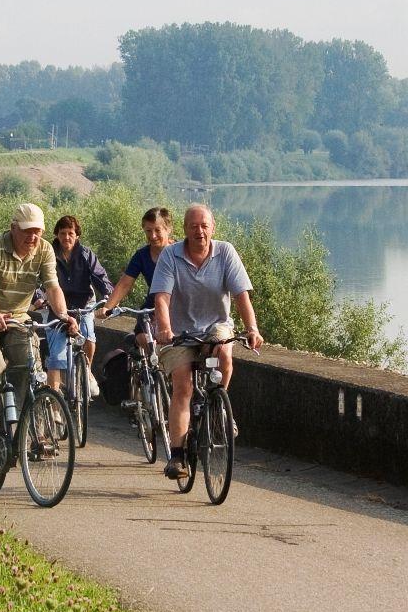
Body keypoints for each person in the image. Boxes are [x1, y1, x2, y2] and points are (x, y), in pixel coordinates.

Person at [151, 203, 264, 479]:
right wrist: (164, 328)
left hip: (215, 327)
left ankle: (217, 405)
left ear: (212, 228)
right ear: (185, 230)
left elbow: (241, 297)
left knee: (223, 352)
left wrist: (252, 329)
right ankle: (177, 456)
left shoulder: (225, 252)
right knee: (183, 385)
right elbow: (162, 299)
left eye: (204, 226)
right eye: (193, 226)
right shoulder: (170, 256)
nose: (199, 231)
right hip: (180, 333)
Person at [0, 202, 80, 447]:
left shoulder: (44, 250)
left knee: (30, 367)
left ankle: (26, 430)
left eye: (38, 231)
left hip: (17, 318)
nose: (33, 236)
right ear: (13, 228)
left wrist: (64, 315)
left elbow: (52, 286)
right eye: (27, 231)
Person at [45, 214, 113, 396]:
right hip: (59, 305)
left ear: (77, 236)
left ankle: (87, 370)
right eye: (62, 233)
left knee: (89, 335)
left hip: (84, 302)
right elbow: (39, 279)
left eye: (70, 233)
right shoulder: (49, 254)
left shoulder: (85, 254)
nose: (66, 237)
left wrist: (108, 298)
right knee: (56, 353)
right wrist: (39, 297)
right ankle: (54, 399)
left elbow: (100, 277)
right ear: (57, 235)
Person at [100, 206, 174, 353]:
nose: (152, 236)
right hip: (151, 307)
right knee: (143, 337)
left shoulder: (180, 252)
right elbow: (125, 283)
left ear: (168, 229)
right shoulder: (142, 255)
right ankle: (150, 368)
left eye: (157, 230)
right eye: (148, 231)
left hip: (179, 307)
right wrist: (108, 307)